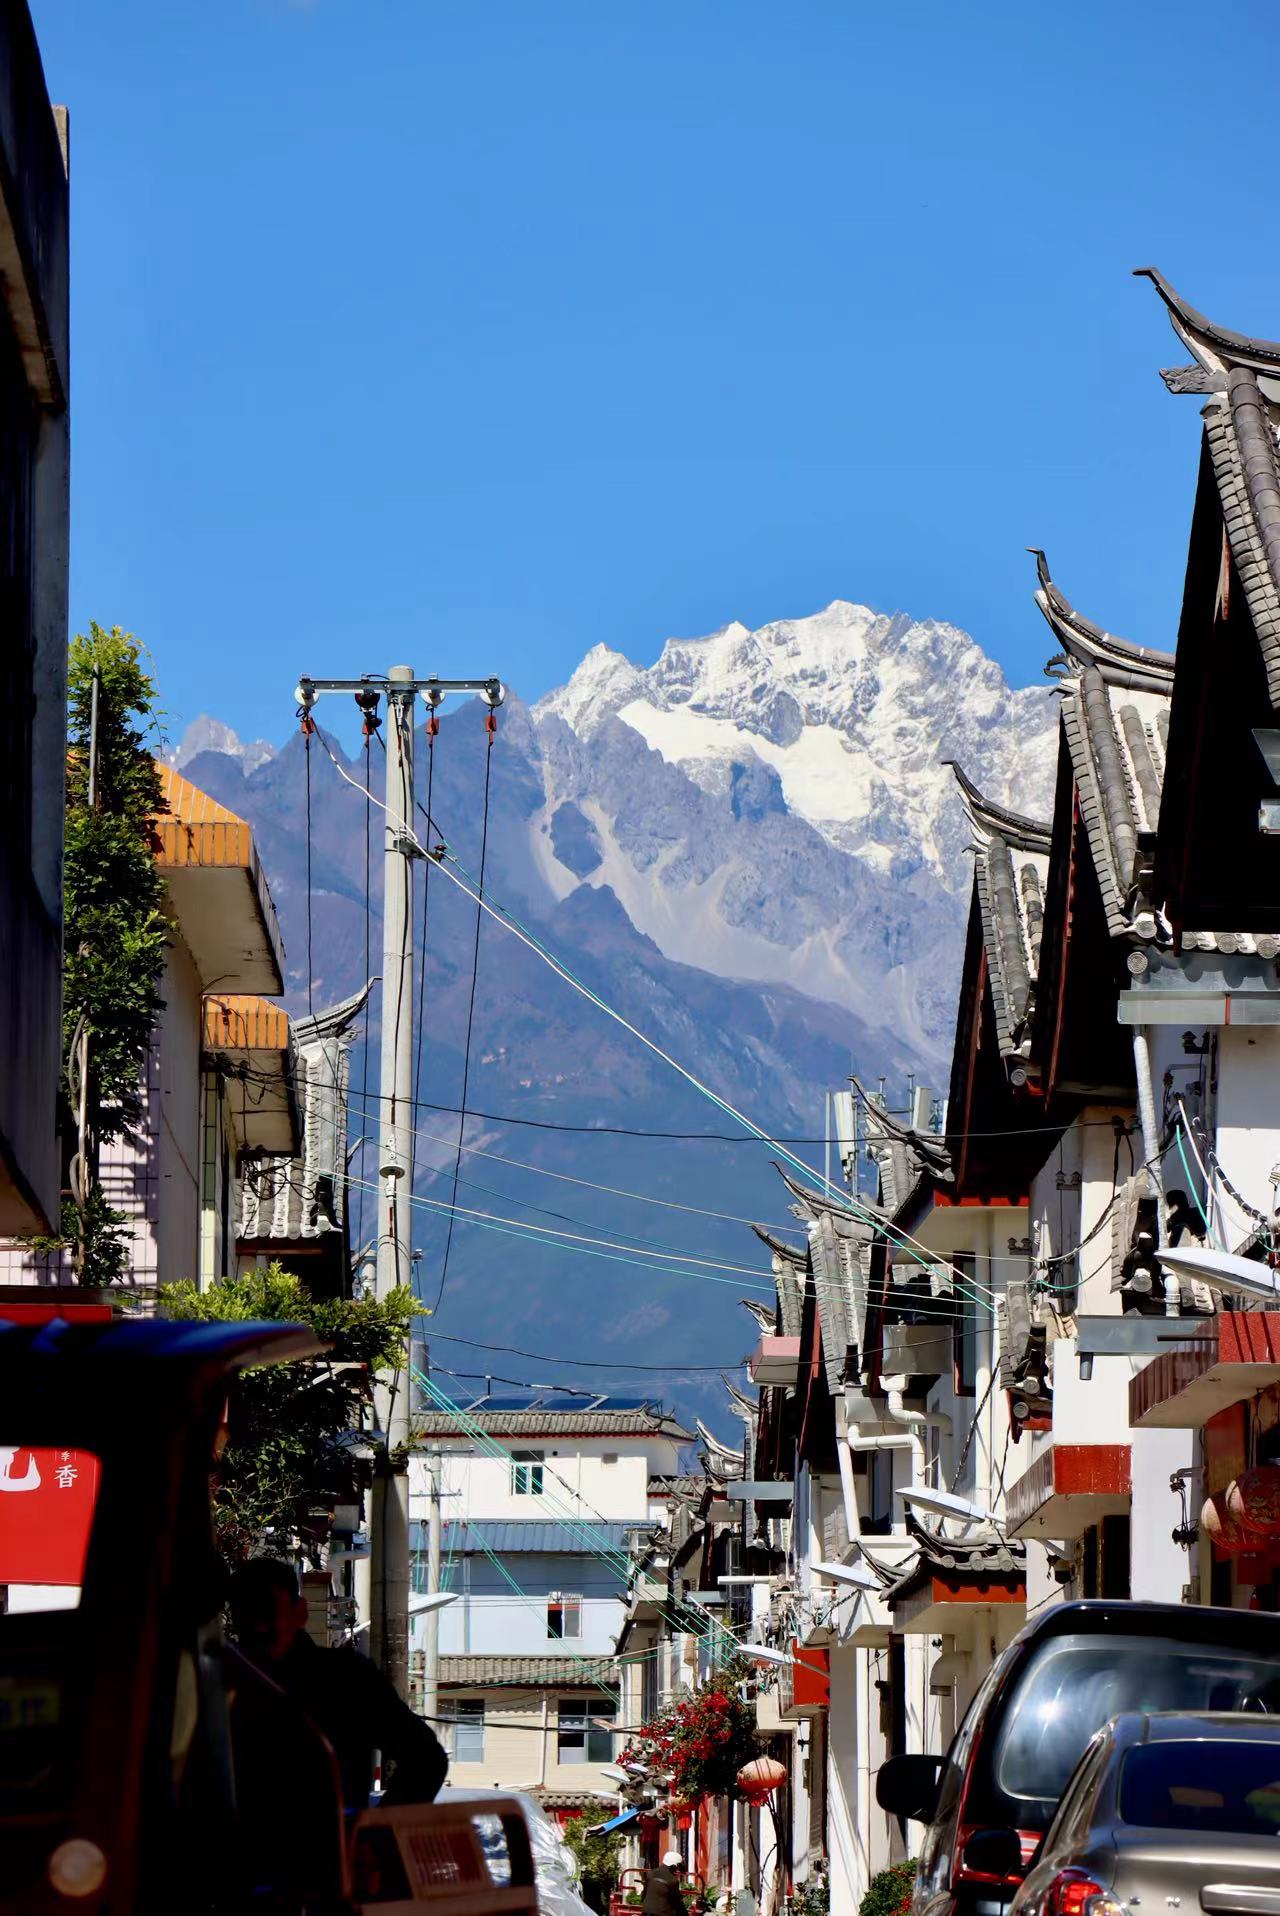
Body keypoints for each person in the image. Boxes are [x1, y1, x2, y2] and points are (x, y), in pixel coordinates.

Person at [228, 1556, 448, 1811]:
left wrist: (373, 1832)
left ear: (300, 1612)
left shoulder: (346, 1678)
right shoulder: (221, 1683)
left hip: (332, 1844)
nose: (258, 1627)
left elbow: (426, 1759)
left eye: (266, 1610)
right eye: (246, 1614)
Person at [642, 1849, 687, 1916]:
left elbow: (644, 1894)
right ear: (674, 1866)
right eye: (678, 1866)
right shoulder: (673, 1880)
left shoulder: (651, 1873)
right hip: (663, 1913)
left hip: (646, 1911)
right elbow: (677, 1902)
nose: (677, 1869)